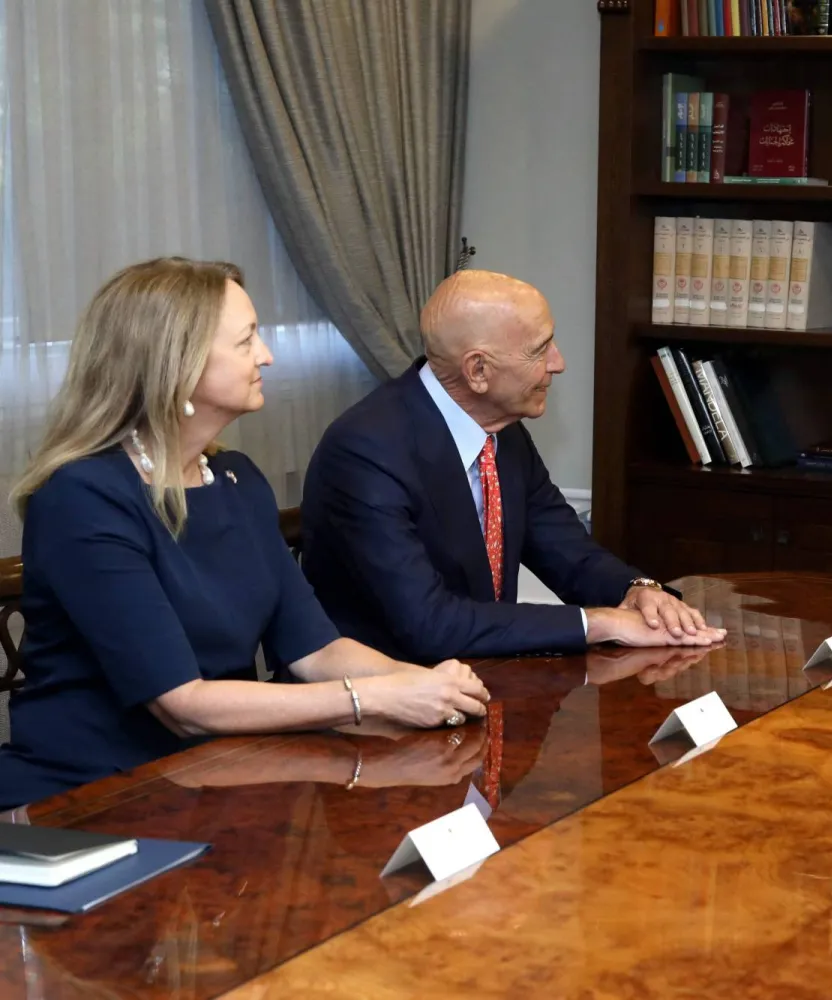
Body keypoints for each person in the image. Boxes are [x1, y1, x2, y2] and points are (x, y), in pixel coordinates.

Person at [0, 258, 490, 808]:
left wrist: (432, 685)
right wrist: (375, 698)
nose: (266, 355)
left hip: (220, 775)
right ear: (177, 365)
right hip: (93, 797)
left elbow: (318, 650)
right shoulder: (83, 497)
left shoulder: (237, 479)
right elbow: (183, 705)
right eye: (246, 340)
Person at [300, 271, 725, 662]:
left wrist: (636, 592)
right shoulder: (365, 452)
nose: (558, 363)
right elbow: (429, 624)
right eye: (540, 350)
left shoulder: (502, 431)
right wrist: (600, 623)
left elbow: (568, 551)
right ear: (478, 370)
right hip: (379, 700)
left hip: (482, 678)